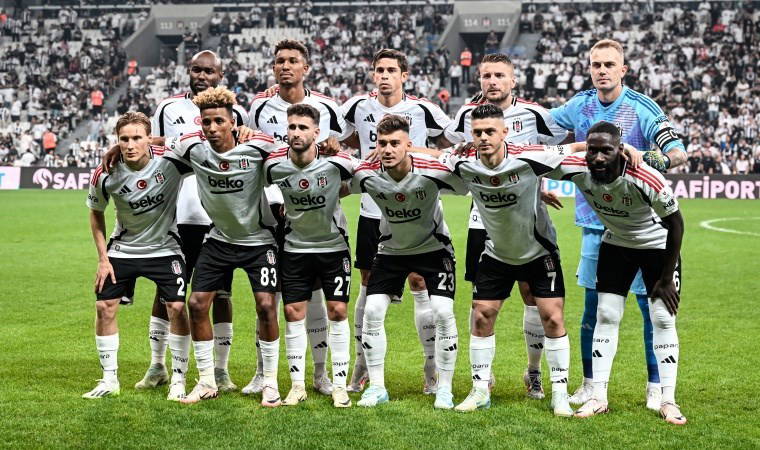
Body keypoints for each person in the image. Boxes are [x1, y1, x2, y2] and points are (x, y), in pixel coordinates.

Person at [549, 39, 686, 409]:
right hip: (595, 223)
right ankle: (590, 385)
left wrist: (648, 158)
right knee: (595, 308)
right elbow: (541, 127)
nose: (602, 70)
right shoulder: (578, 105)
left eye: (609, 64)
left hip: (642, 224)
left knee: (651, 306)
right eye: (596, 64)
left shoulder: (642, 107)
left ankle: (656, 387)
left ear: (623, 69)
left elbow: (677, 153)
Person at [434, 104, 578, 416]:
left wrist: (627, 150)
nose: (484, 137)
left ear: (505, 132)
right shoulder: (464, 162)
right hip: (497, 253)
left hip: (538, 252)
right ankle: (479, 390)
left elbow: (575, 148)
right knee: (481, 315)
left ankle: (560, 394)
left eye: (490, 131)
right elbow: (431, 156)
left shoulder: (530, 156)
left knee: (553, 318)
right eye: (478, 132)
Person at [162, 87, 284, 406]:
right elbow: (160, 144)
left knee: (266, 306)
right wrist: (121, 147)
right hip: (219, 239)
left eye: (219, 121)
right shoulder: (194, 148)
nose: (213, 128)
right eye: (207, 122)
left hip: (259, 240)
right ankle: (206, 381)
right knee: (197, 304)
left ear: (232, 123)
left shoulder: (257, 146)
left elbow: (290, 154)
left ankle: (270, 382)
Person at [244, 39, 353, 396]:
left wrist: (336, 149)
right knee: (270, 298)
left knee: (318, 298)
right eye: (279, 61)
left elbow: (341, 149)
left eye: (293, 61)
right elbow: (255, 153)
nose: (285, 66)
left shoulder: (327, 107)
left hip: (317, 217)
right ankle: (263, 372)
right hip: (273, 217)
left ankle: (321, 374)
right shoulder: (259, 105)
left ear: (305, 68)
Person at [341, 49, 452, 394]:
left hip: (417, 210)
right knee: (368, 286)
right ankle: (362, 364)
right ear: (373, 74)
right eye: (379, 70)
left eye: (391, 70)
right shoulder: (357, 107)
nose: (384, 76)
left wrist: (414, 151)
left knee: (420, 283)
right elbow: (339, 139)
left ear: (404, 75)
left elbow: (452, 146)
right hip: (373, 209)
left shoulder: (423, 109)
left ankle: (431, 369)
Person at [138, 50, 249, 393]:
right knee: (168, 290)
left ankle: (220, 370)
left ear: (220, 75)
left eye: (209, 71)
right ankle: (157, 365)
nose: (202, 76)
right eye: (197, 70)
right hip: (178, 213)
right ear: (189, 71)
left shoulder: (236, 112)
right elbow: (151, 151)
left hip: (219, 217)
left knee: (221, 294)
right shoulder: (168, 108)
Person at [349, 115, 465, 409]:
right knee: (372, 310)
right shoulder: (366, 173)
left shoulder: (432, 171)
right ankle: (377, 387)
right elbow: (337, 178)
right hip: (392, 251)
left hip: (434, 249)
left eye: (395, 143)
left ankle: (444, 388)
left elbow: (467, 181)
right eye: (382, 143)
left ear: (408, 145)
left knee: (443, 311)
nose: (387, 149)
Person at [83, 112, 193, 401]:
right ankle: (109, 379)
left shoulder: (171, 162)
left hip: (166, 248)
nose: (130, 145)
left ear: (149, 138)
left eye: (137, 138)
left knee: (177, 308)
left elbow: (204, 145)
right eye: (124, 139)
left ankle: (178, 379)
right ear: (116, 141)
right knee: (104, 306)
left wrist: (164, 141)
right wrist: (103, 259)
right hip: (123, 249)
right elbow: (95, 214)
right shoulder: (105, 172)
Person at [263, 104, 354, 408]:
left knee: (337, 311)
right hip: (295, 248)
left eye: (303, 127)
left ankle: (339, 386)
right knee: (292, 313)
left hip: (333, 247)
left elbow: (363, 173)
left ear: (317, 132)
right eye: (292, 127)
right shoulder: (274, 165)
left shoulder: (337, 163)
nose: (296, 132)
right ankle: (297, 386)